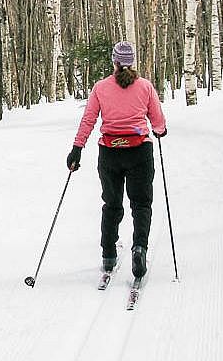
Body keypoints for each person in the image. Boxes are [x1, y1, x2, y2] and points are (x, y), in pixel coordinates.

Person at [65, 41, 166, 280]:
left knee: (112, 204)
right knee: (141, 204)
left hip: (110, 153)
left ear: (115, 62)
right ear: (133, 61)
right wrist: (160, 130)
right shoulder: (145, 87)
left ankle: (108, 254)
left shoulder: (100, 87)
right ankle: (139, 247)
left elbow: (88, 120)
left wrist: (77, 148)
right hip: (139, 151)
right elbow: (158, 121)